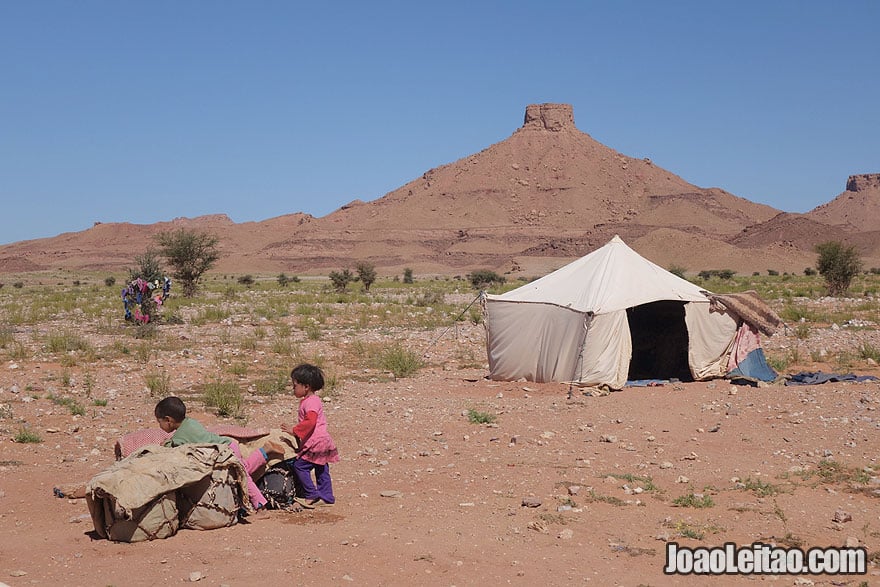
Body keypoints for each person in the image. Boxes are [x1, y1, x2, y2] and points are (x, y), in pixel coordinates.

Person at [155, 396, 285, 512]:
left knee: (243, 476)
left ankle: (261, 506)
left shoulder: (180, 436)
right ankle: (263, 452)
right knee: (243, 468)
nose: (159, 425)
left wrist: (166, 444)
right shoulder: (190, 422)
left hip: (224, 452)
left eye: (159, 421)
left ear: (168, 420)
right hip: (229, 446)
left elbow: (175, 447)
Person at [281, 364, 339, 508]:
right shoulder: (314, 400)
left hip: (315, 442)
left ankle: (311, 494)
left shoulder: (310, 402)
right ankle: (327, 496)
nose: (293, 389)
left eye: (295, 386)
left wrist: (294, 430)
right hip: (324, 440)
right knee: (321, 468)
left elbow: (311, 421)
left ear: (306, 387)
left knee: (300, 466)